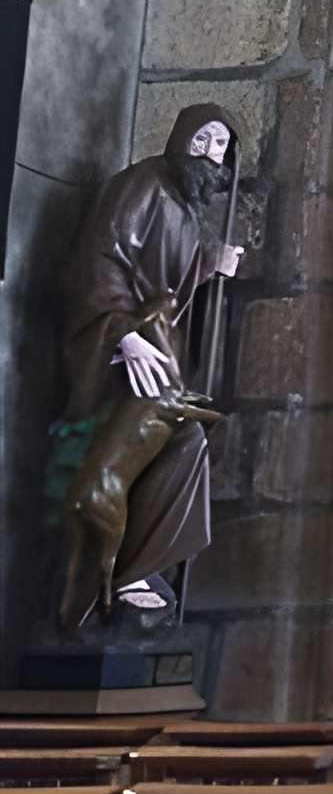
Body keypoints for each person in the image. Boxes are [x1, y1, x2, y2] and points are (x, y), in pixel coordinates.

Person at [54, 106, 244, 626]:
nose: (210, 151)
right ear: (181, 137)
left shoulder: (184, 206)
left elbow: (166, 282)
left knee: (185, 444)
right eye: (203, 138)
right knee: (173, 443)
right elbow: (100, 261)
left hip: (154, 348)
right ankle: (108, 582)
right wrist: (125, 333)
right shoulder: (141, 185)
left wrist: (209, 265)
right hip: (121, 354)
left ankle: (134, 567)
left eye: (220, 145)